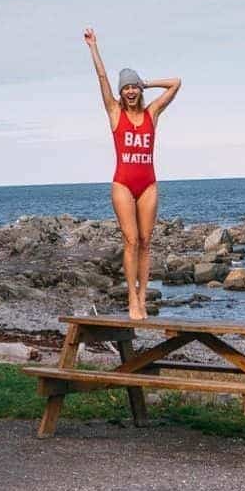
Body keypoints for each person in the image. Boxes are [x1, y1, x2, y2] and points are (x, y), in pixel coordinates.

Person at [83, 28, 182, 319]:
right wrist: (93, 47)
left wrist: (146, 82)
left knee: (147, 242)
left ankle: (142, 295)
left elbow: (176, 83)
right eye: (126, 87)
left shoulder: (152, 113)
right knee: (131, 240)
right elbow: (102, 79)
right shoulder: (115, 113)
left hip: (148, 184)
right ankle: (132, 300)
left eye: (133, 87)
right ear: (121, 92)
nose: (130, 91)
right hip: (124, 184)